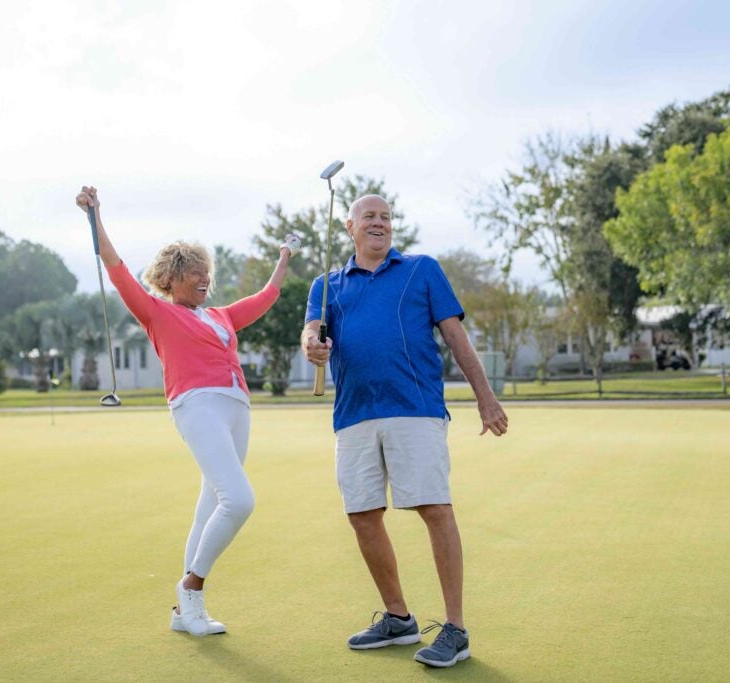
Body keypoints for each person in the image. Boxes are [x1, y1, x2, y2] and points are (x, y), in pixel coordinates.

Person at [76, 185, 298, 637]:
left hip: (237, 407)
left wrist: (284, 257)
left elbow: (264, 298)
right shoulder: (155, 311)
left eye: (205, 272)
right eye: (193, 272)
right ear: (171, 278)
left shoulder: (220, 316)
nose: (203, 279)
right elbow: (115, 266)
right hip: (196, 405)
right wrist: (96, 213)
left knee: (211, 504)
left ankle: (183, 615)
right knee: (239, 500)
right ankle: (191, 589)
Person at [300, 194, 507, 668]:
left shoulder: (422, 269)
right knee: (362, 515)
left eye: (386, 217)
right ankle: (398, 618)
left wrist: (485, 396)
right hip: (354, 414)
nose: (380, 223)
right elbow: (312, 329)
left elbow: (456, 336)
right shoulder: (326, 285)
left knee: (434, 508)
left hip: (414, 409)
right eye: (370, 217)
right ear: (350, 226)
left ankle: (455, 629)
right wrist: (311, 343)